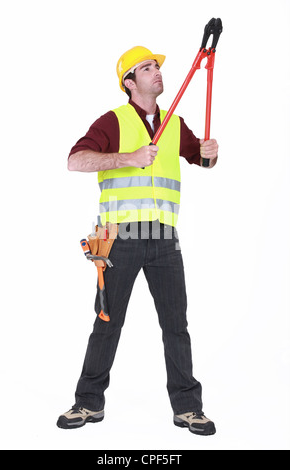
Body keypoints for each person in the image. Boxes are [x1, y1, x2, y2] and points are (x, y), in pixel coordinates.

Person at [57, 46, 219, 436]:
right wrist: (128, 157)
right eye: (146, 68)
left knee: (175, 326)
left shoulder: (175, 124)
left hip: (164, 239)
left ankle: (188, 409)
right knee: (107, 323)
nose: (157, 72)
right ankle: (87, 403)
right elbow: (75, 160)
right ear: (129, 83)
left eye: (157, 67)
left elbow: (203, 159)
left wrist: (210, 154)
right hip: (119, 240)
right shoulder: (112, 122)